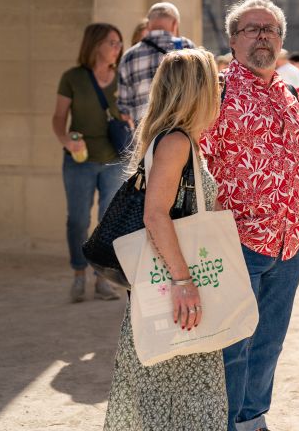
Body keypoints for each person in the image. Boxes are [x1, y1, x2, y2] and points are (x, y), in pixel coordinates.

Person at [200, 0, 299, 431]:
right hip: (236, 242)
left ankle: (253, 420)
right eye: (251, 29)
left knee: (269, 343)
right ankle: (228, 422)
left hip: (289, 242)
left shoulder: (293, 95)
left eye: (270, 29)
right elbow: (194, 166)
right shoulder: (212, 92)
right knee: (233, 347)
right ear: (232, 40)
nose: (262, 36)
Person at [104, 48, 228, 430]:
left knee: (166, 397)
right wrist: (183, 281)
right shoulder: (175, 142)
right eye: (214, 82)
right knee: (176, 398)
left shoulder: (176, 139)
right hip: (173, 288)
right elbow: (155, 215)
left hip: (169, 285)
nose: (220, 90)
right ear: (197, 90)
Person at [51, 23, 127, 303]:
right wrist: (66, 141)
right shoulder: (72, 77)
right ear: (95, 45)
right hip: (78, 159)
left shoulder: (123, 78)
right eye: (112, 42)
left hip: (114, 160)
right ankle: (78, 274)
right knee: (78, 220)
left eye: (119, 43)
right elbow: (59, 117)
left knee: (108, 223)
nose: (118, 48)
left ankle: (102, 279)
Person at [117, 2, 195, 126]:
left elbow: (124, 109)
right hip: (181, 130)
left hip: (146, 134)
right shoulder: (187, 48)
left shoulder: (128, 56)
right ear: (175, 24)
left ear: (148, 25)